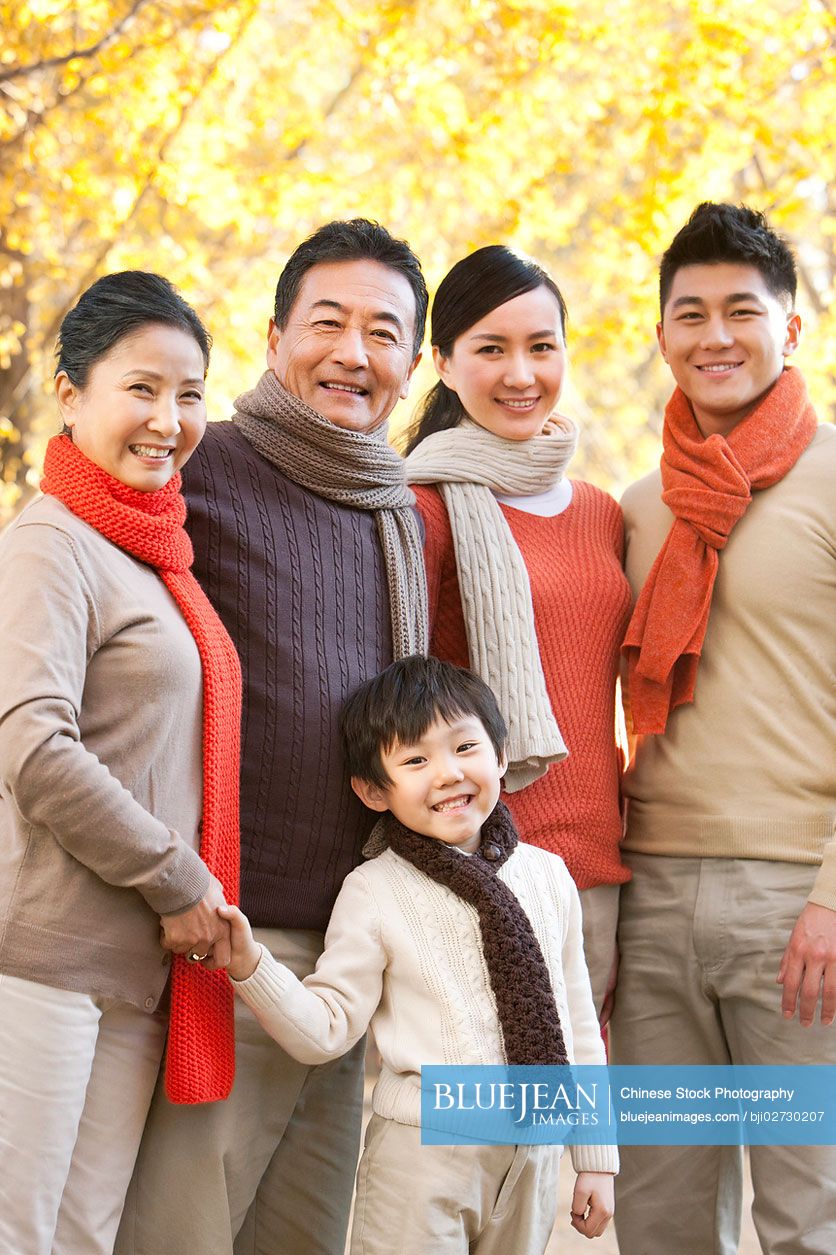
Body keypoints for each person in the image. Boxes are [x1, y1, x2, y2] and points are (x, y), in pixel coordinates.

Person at [118, 220, 429, 1255]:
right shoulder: (204, 467)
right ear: (272, 335)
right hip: (220, 937)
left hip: (351, 951)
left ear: (412, 365)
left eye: (382, 333)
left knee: (306, 1237)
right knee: (184, 1231)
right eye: (326, 322)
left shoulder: (396, 509)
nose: (353, 352)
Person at [219, 654, 618, 1254]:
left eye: (464, 748)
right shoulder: (375, 890)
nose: (447, 774)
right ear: (374, 791)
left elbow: (576, 1027)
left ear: (501, 757)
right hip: (423, 1155)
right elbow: (327, 1029)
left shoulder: (548, 877)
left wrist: (595, 1158)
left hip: (532, 1160)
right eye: (415, 760)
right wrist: (251, 966)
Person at [0, 271, 241, 1255]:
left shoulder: (152, 556)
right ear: (70, 395)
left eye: (188, 395)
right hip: (42, 961)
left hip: (137, 970)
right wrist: (177, 876)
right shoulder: (50, 544)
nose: (167, 418)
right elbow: (30, 740)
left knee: (80, 1239)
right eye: (140, 388)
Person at [611, 202, 836, 1254]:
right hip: (649, 898)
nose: (713, 335)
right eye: (687, 313)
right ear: (659, 334)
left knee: (804, 1216)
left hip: (797, 901)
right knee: (657, 1221)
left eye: (739, 310)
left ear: (789, 329)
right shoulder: (634, 507)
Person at [403, 245, 632, 1018]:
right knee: (488, 1126)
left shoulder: (603, 512)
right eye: (490, 349)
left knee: (595, 1134)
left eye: (541, 346)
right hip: (486, 865)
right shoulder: (422, 509)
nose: (521, 374)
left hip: (600, 869)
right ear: (442, 361)